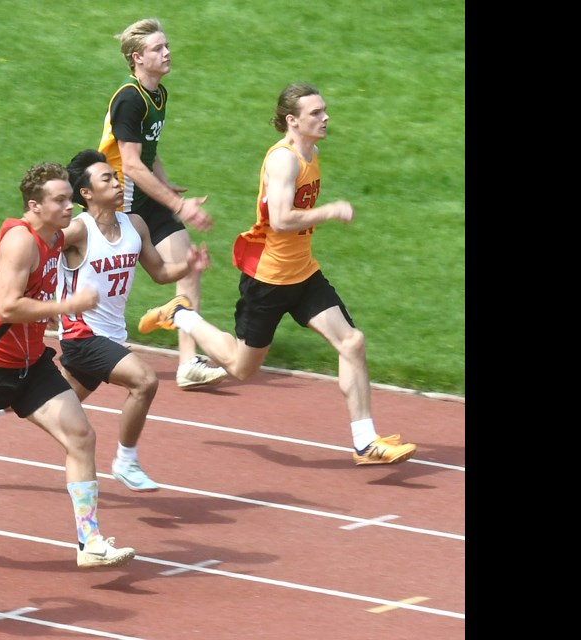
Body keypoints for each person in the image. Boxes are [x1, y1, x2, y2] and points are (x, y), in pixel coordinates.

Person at [137, 83, 418, 466]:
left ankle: (365, 442)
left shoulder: (311, 152)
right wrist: (330, 211)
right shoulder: (283, 161)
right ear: (293, 120)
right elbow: (283, 220)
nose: (325, 118)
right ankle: (181, 314)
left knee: (352, 342)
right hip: (268, 279)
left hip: (303, 273)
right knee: (240, 368)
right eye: (316, 113)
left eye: (324, 110)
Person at [0, 162, 136, 569]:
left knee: (81, 436)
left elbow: (0, 290)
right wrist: (66, 306)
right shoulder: (21, 240)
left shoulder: (54, 238)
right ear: (34, 205)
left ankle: (90, 541)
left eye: (70, 198)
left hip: (31, 365)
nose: (69, 206)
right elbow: (9, 307)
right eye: (60, 200)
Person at [58, 148, 211, 491]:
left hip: (111, 336)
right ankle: (126, 462)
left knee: (52, 406)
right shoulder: (77, 231)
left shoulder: (135, 225)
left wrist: (189, 266)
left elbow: (159, 272)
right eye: (107, 178)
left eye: (115, 176)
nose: (117, 181)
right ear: (86, 193)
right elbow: (32, 249)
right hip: (81, 334)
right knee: (145, 381)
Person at [98, 17, 228, 390]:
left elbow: (149, 152)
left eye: (166, 45)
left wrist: (167, 185)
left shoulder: (158, 94)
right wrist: (179, 205)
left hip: (148, 202)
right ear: (138, 58)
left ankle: (188, 364)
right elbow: (132, 164)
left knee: (189, 266)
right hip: (117, 202)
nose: (167, 52)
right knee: (103, 284)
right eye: (158, 48)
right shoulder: (129, 98)